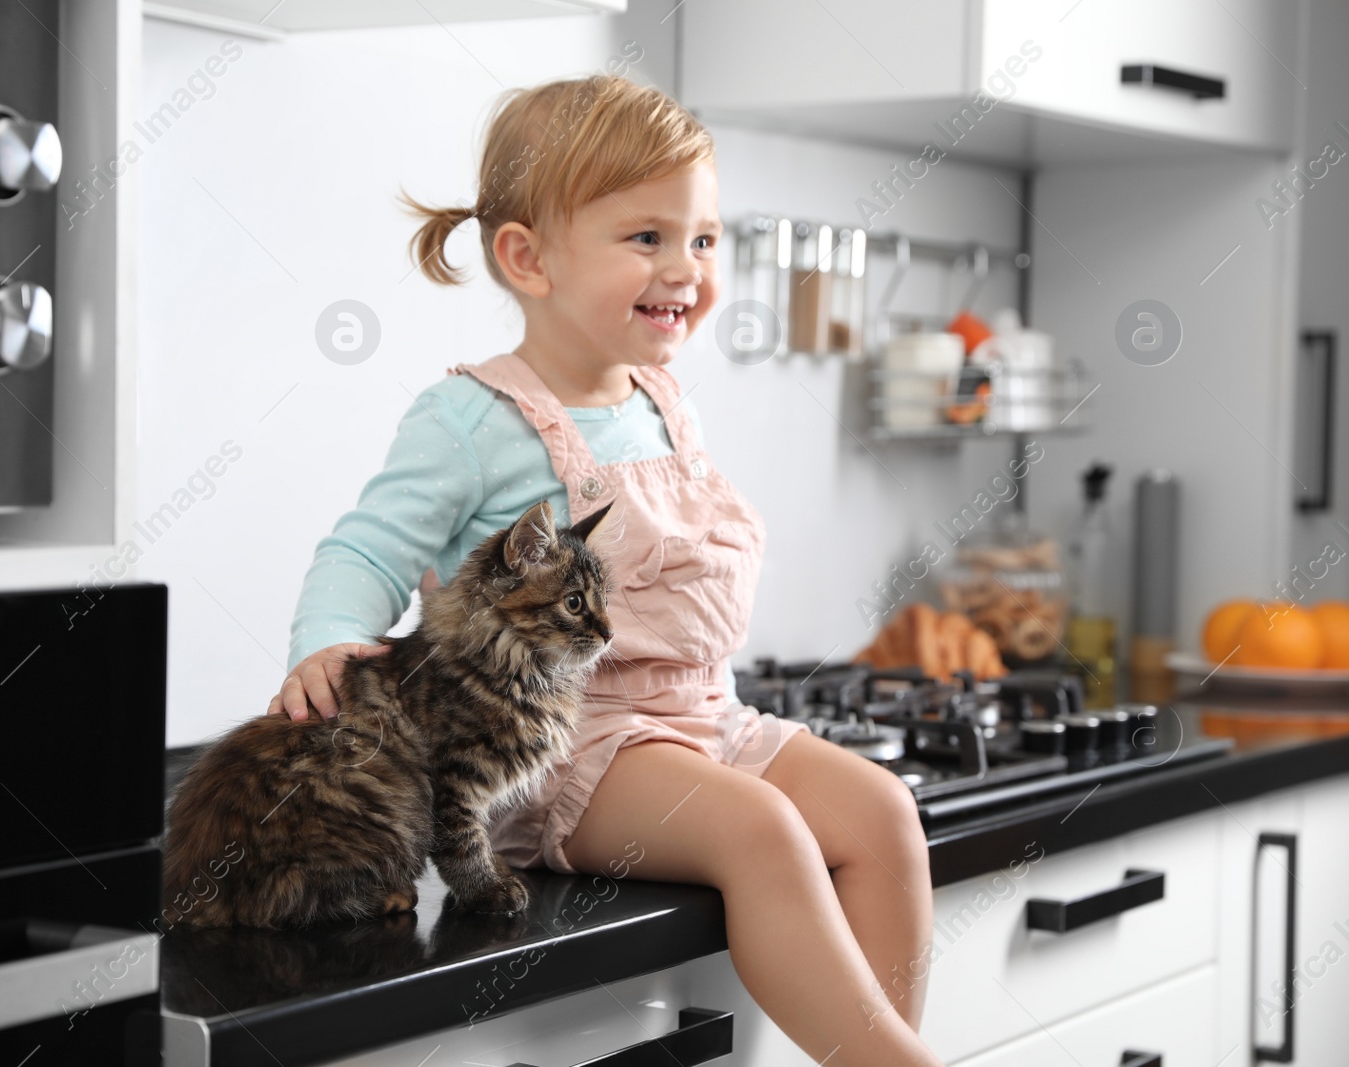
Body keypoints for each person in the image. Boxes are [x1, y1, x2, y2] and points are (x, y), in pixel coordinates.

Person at [267, 73, 942, 1066]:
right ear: (527, 258)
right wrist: (324, 639)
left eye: (703, 238)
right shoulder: (469, 418)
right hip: (561, 745)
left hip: (702, 714)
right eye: (646, 238)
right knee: (760, 831)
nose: (686, 267)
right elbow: (366, 546)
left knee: (883, 810)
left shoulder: (665, 400)